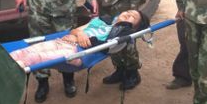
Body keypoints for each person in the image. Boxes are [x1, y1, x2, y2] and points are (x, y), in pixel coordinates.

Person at [10, 10, 148, 68]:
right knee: (27, 50)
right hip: (63, 40)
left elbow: (108, 47)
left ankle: (8, 71)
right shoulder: (100, 21)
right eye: (128, 12)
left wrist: (83, 37)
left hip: (76, 52)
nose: (128, 15)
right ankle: (4, 61)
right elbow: (75, 30)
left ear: (134, 27)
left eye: (133, 17)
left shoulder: (120, 33)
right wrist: (79, 34)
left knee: (36, 57)